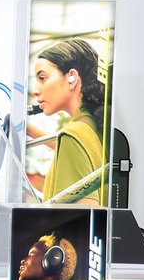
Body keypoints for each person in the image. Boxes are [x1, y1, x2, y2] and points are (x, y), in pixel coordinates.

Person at [26, 37, 107, 204]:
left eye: (42, 78)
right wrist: (28, 130)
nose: (35, 90)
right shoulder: (93, 125)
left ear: (72, 78)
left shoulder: (73, 135)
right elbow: (71, 148)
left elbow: (81, 213)